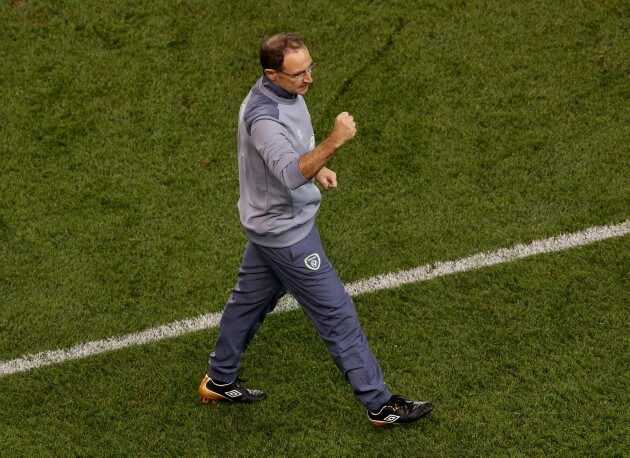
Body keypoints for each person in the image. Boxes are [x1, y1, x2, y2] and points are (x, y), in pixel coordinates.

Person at [198, 32, 432, 427]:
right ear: (272, 75)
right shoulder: (264, 118)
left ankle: (219, 379)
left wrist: (316, 166)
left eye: (310, 67)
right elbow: (289, 174)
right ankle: (380, 405)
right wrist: (335, 141)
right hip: (286, 233)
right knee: (337, 314)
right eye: (298, 74)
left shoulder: (281, 95)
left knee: (248, 303)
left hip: (268, 226)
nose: (309, 79)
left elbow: (287, 159)